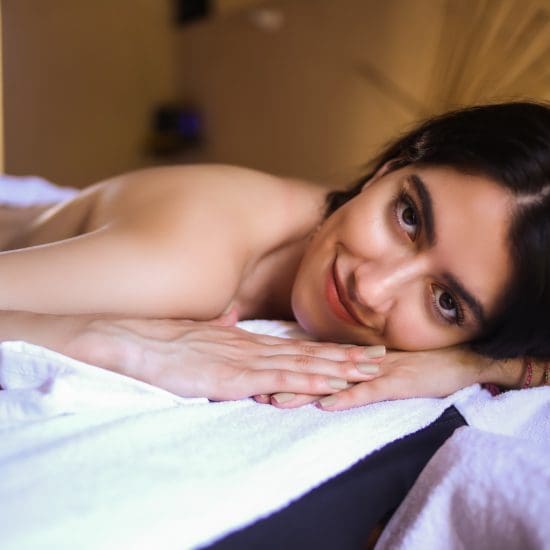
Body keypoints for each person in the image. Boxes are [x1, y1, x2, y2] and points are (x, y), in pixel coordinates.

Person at [1, 101, 549, 409]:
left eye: (446, 302)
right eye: (408, 217)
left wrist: (476, 364)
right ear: (388, 170)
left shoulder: (329, 221)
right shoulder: (187, 264)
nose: (371, 287)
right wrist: (109, 343)